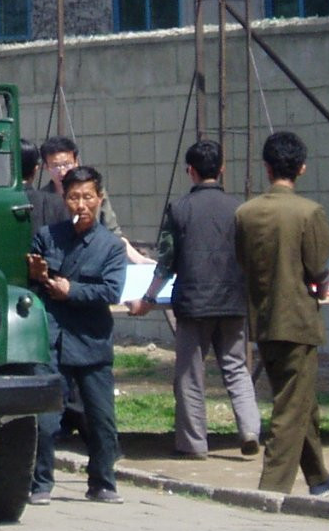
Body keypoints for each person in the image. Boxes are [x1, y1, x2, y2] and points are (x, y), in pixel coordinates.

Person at [233, 132, 329, 498]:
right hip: (298, 321)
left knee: (302, 401)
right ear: (302, 168)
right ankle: (271, 489)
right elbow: (317, 268)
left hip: (264, 319)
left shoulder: (245, 213)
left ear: (266, 168)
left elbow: (242, 262)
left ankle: (318, 477)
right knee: (290, 406)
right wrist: (323, 281)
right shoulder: (309, 213)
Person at [129, 139, 262, 459]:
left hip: (192, 302)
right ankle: (249, 430)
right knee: (236, 368)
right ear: (222, 168)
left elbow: (166, 261)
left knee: (190, 374)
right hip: (232, 301)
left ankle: (193, 444)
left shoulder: (179, 209)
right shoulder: (240, 209)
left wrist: (148, 297)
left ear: (190, 171)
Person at [27, 166, 129, 505]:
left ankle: (103, 481)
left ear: (100, 199)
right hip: (52, 338)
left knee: (101, 420)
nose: (80, 205)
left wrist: (72, 290)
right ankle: (40, 483)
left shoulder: (111, 246)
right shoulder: (47, 235)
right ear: (63, 199)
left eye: (87, 197)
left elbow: (111, 291)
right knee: (45, 419)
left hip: (91, 341)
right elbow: (31, 283)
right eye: (73, 198)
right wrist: (38, 275)